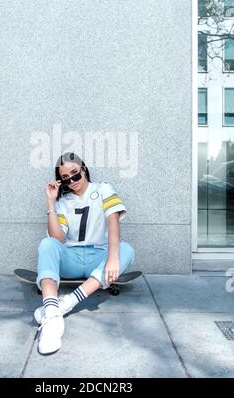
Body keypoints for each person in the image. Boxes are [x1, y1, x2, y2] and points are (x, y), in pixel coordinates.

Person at [35, 151, 135, 355]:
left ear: (84, 169)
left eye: (75, 174)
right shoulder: (63, 203)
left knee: (126, 250)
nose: (72, 181)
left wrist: (113, 258)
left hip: (98, 257)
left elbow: (113, 222)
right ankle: (52, 312)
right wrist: (51, 203)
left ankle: (66, 304)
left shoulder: (103, 189)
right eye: (66, 178)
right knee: (47, 244)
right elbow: (57, 238)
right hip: (70, 259)